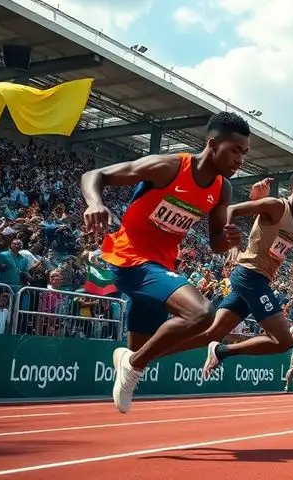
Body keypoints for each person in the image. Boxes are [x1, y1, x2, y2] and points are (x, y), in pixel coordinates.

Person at [81, 112, 250, 413]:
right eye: (235, 150)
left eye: (245, 153)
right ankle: (133, 364)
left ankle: (129, 360)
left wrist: (231, 239)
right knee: (202, 313)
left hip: (161, 268)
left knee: (141, 347)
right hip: (129, 257)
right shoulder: (169, 167)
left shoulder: (222, 189)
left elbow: (215, 243)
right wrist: (95, 202)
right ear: (213, 144)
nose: (240, 159)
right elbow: (95, 175)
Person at [194, 171, 293, 375]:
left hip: (260, 279)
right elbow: (231, 209)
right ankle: (221, 351)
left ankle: (150, 353)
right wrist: (231, 244)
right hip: (249, 275)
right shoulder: (276, 206)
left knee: (212, 332)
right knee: (283, 340)